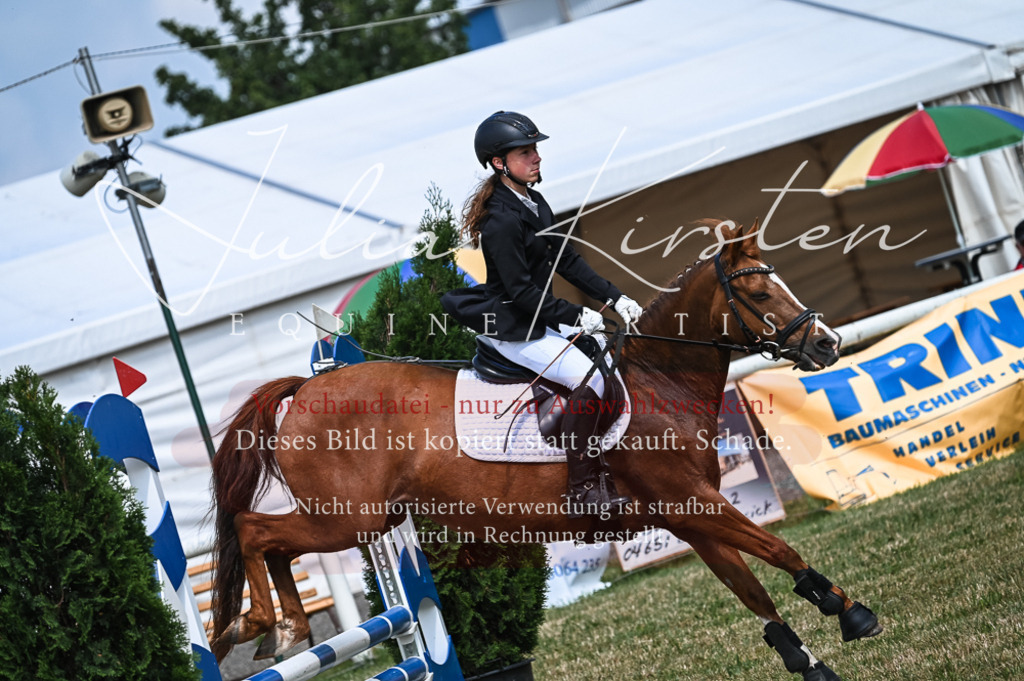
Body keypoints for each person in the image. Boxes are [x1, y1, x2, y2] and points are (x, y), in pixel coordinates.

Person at [442, 111, 643, 518]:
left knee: (608, 360)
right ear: (499, 163)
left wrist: (614, 298)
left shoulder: (533, 200)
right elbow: (520, 292)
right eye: (526, 151)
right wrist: (574, 314)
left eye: (535, 149)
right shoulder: (500, 219)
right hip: (515, 328)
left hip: (538, 319)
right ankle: (582, 487)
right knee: (589, 380)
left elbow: (566, 260)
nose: (536, 158)